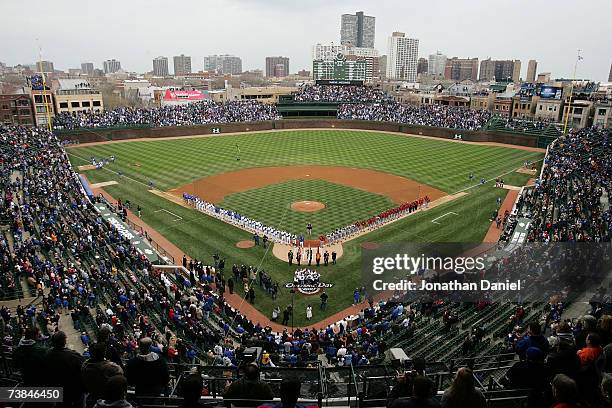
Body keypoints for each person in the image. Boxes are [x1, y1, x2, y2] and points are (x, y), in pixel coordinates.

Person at [45, 331, 86, 408]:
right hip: (73, 389)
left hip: (58, 388)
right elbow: (84, 367)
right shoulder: (72, 355)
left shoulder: (47, 354)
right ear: (64, 341)